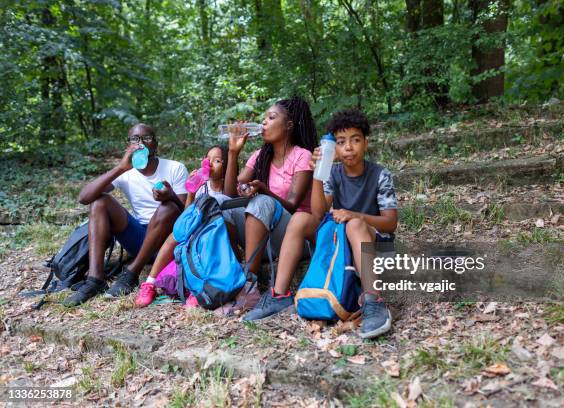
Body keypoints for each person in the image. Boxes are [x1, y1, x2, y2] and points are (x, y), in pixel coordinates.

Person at [243, 109, 398, 340]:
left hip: (371, 240)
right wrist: (318, 173)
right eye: (341, 142)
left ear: (366, 143)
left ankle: (374, 302)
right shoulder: (333, 173)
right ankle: (279, 294)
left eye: (355, 140)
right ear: (334, 147)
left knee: (354, 225)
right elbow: (318, 212)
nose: (348, 147)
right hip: (338, 239)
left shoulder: (379, 175)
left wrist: (354, 215)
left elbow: (390, 223)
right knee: (301, 218)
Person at [63, 123, 188, 306]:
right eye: (135, 139)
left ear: (156, 143)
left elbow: (186, 215)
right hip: (140, 239)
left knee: (167, 208)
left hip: (167, 241)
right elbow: (84, 197)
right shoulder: (126, 172)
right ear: (128, 145)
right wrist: (121, 168)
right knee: (99, 201)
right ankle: (95, 279)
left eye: (146, 138)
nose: (141, 143)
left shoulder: (175, 168)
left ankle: (131, 274)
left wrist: (170, 197)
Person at [222, 96, 317, 312]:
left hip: (293, 237)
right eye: (264, 118)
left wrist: (264, 190)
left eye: (271, 117)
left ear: (289, 125)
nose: (264, 122)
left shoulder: (302, 156)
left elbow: (292, 205)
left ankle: (249, 286)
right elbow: (228, 197)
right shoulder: (259, 156)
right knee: (217, 204)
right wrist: (233, 153)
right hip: (261, 239)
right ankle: (234, 275)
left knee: (262, 201)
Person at [134, 145, 232, 308]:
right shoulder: (202, 187)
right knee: (176, 235)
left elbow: (229, 196)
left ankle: (198, 291)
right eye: (207, 160)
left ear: (228, 166)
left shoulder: (230, 186)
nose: (210, 164)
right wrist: (192, 191)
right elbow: (187, 215)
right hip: (195, 233)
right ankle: (149, 283)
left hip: (216, 235)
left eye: (217, 161)